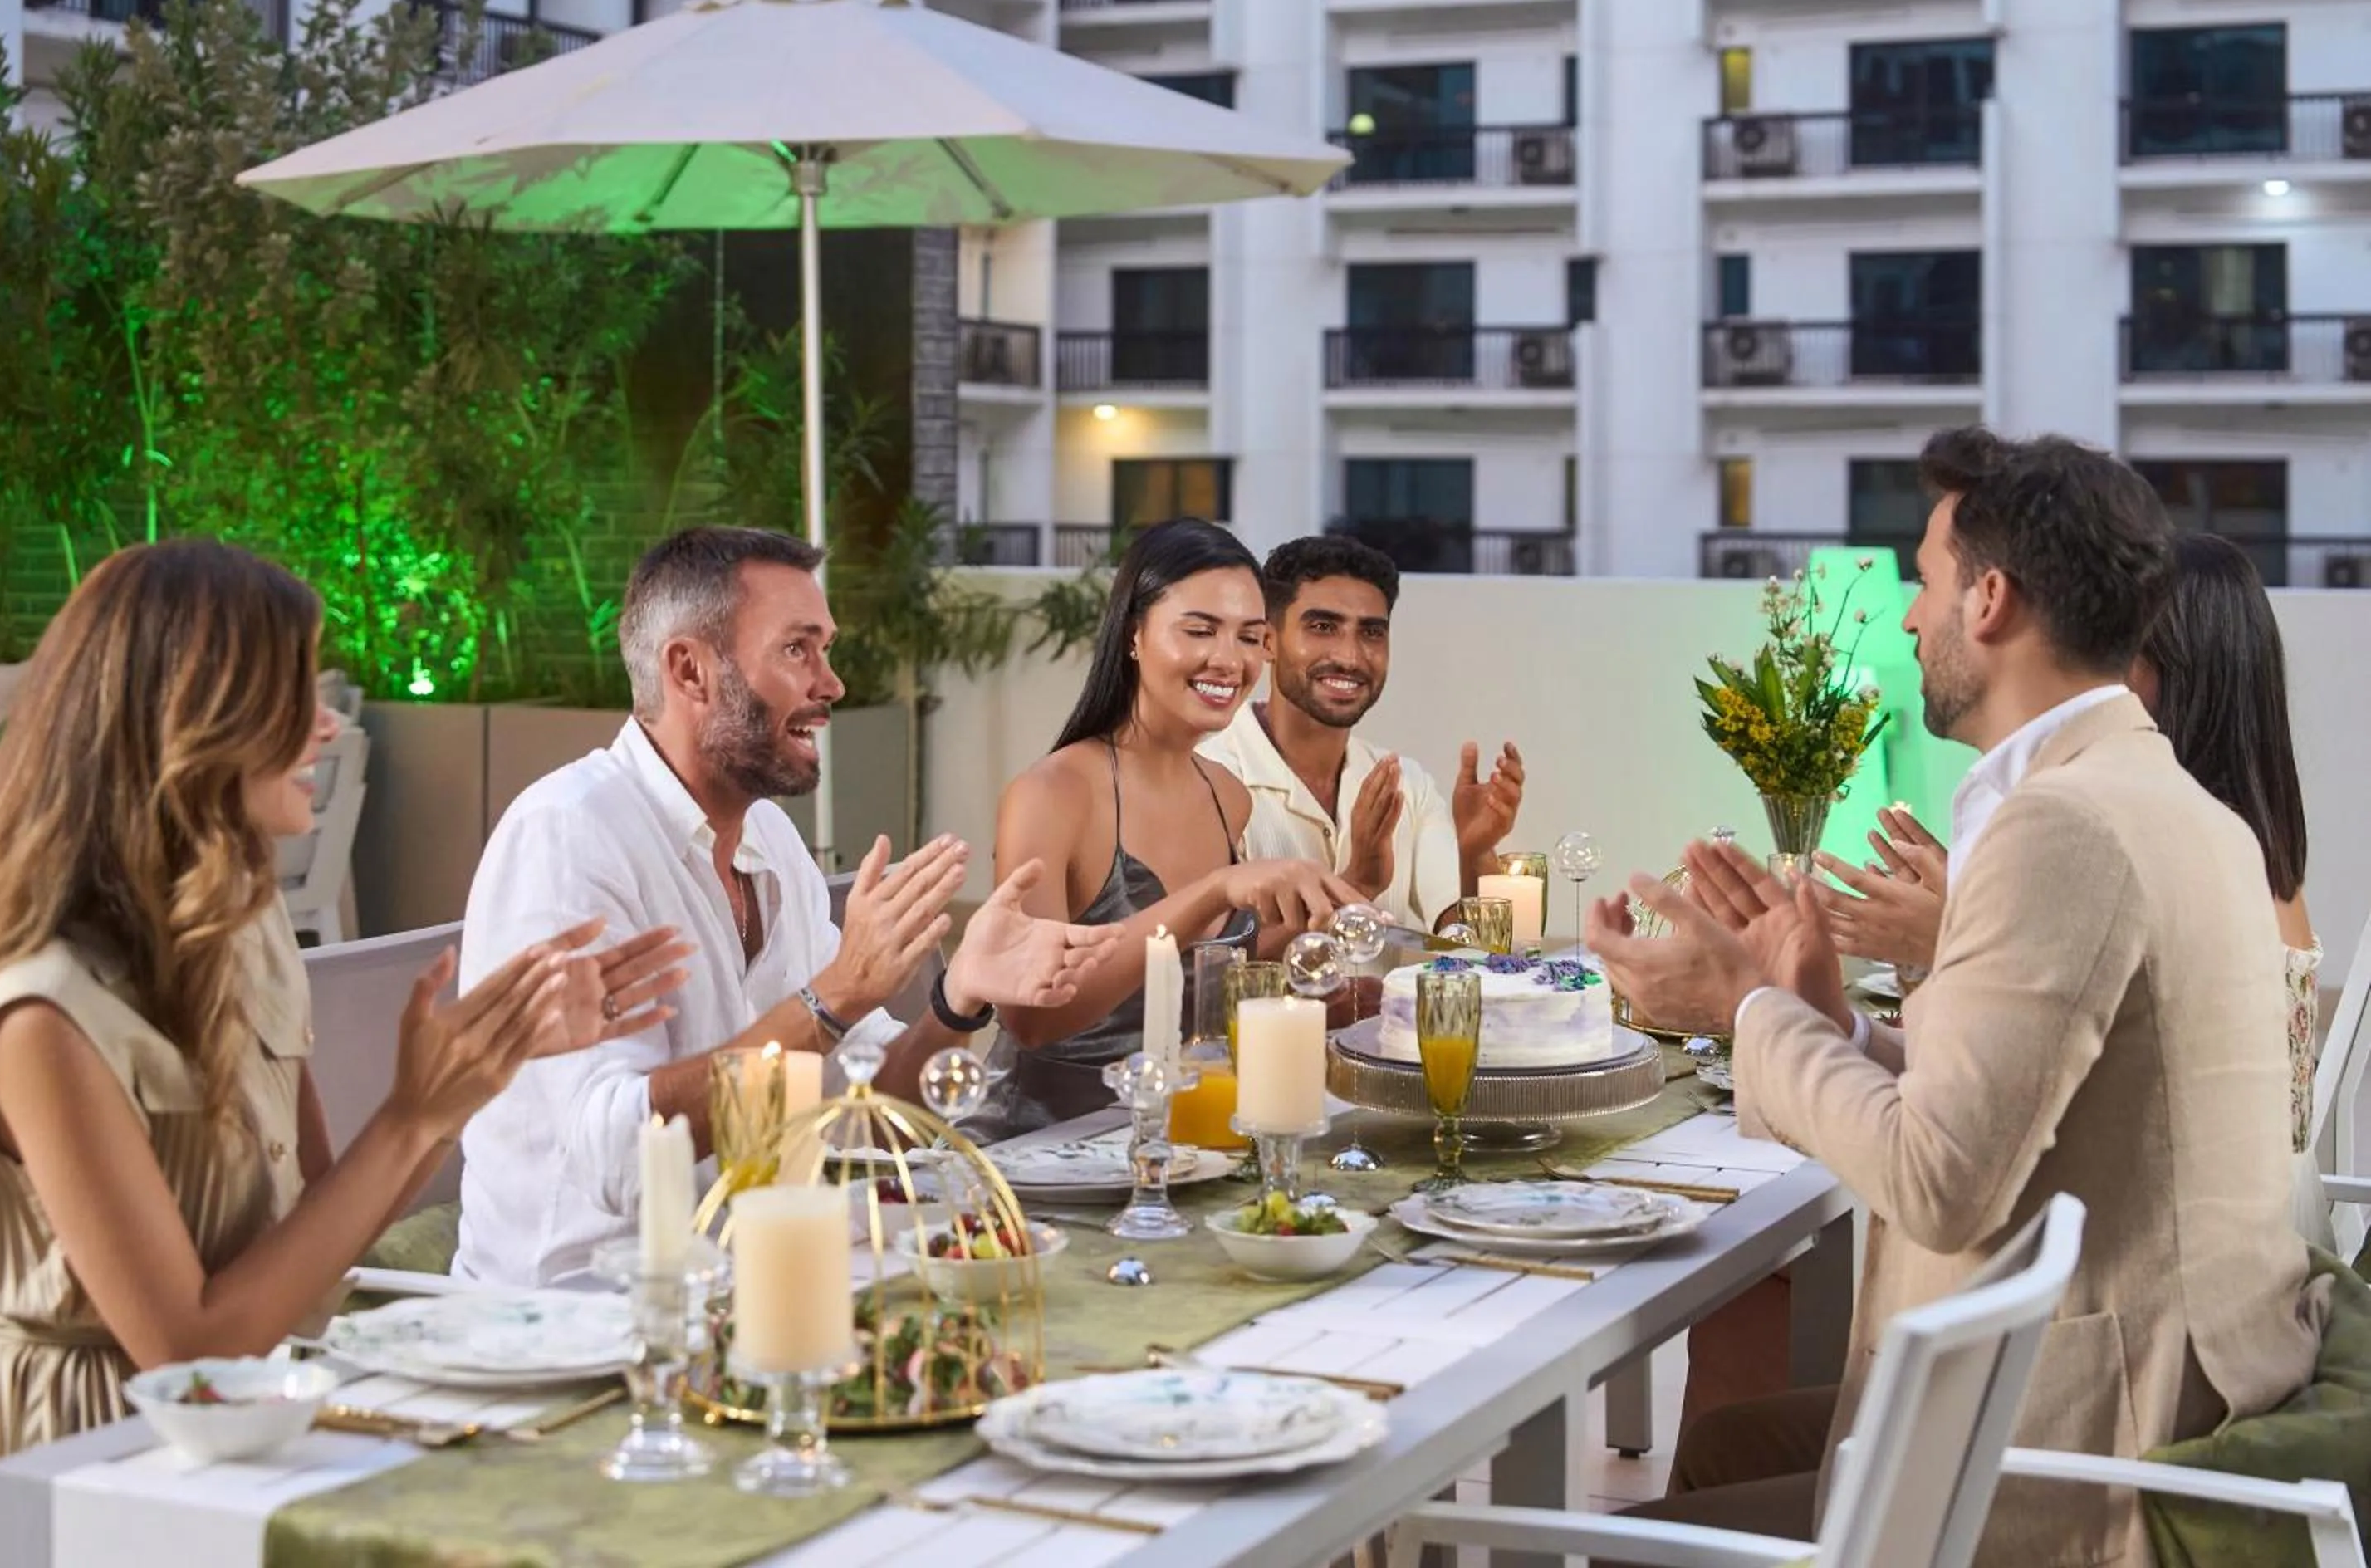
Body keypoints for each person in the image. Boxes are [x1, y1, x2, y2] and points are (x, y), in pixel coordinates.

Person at [1587, 429, 2327, 1565]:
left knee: (1597, 1541)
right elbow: (2019, 1102)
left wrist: (1745, 1011)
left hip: (2079, 1462)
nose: (1906, 620)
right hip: (2168, 1393)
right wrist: (1824, 1018)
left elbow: (1938, 1183)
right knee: (1731, 1452)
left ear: (1990, 599)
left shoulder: (2064, 829)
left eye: (1923, 584)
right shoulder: (2171, 801)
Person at [0, 542, 686, 1568]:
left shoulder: (245, 927)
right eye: (289, 693)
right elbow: (192, 1347)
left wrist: (472, 1077)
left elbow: (307, 1249)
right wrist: (416, 1116)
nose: (325, 721)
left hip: (250, 1438)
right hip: (82, 1469)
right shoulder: (39, 1016)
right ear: (191, 721)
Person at [454, 527, 1116, 1286]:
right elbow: (615, 1159)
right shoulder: (570, 834)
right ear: (690, 670)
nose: (831, 684)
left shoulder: (765, 834)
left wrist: (960, 999)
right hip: (582, 1321)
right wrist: (832, 997)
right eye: (798, 650)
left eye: (825, 650)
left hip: (757, 1284)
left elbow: (867, 1107)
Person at [1822, 532, 2319, 1155]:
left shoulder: (2168, 854)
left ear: (2152, 669)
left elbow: (2031, 1108)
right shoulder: (2248, 840)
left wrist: (1952, 941)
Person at [979, 520, 1369, 1134]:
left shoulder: (1226, 795)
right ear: (1134, 634)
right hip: (1042, 1152)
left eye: (1249, 637)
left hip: (1183, 1134)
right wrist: (1213, 891)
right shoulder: (1052, 794)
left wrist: (1331, 921)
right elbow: (1030, 1014)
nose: (1229, 660)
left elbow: (1202, 972)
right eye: (1199, 631)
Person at [1202, 534, 1524, 933]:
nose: (1350, 657)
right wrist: (1357, 884)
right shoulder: (1209, 777)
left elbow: (1474, 950)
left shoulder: (1408, 785)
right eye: (1322, 627)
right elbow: (1210, 963)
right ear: (1268, 640)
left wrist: (1474, 854)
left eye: (1372, 632)